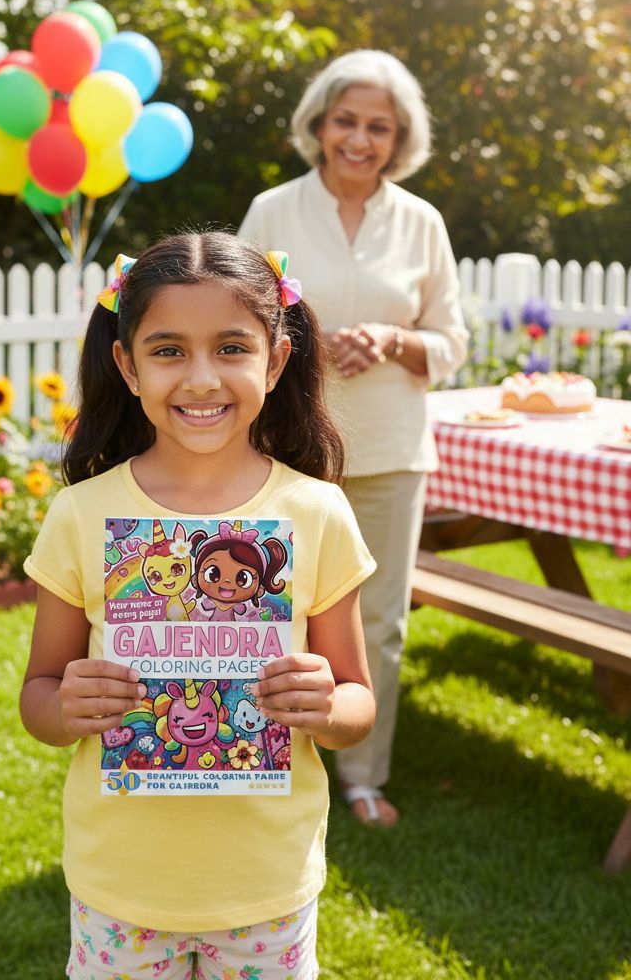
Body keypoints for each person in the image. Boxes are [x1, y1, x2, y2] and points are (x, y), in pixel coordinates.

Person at [19, 231, 377, 980]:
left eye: (233, 348)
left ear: (276, 360)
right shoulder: (83, 516)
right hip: (121, 887)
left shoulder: (317, 513)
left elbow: (356, 708)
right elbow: (40, 698)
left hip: (266, 887)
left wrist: (322, 703)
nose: (203, 378)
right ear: (127, 365)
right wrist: (67, 706)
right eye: (169, 350)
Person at [238, 50, 468, 828]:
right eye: (347, 121)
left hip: (392, 450)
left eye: (379, 126)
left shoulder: (422, 222)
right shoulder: (273, 210)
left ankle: (363, 776)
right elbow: (237, 316)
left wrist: (392, 341)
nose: (360, 139)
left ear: (399, 137)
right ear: (320, 124)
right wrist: (309, 339)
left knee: (380, 619)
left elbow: (451, 340)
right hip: (291, 443)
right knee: (275, 609)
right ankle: (264, 752)